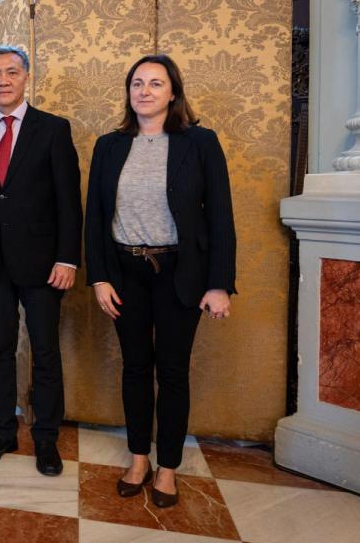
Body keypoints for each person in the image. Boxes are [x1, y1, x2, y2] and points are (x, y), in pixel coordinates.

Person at [85, 54, 236, 508]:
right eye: (137, 83)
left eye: (155, 83)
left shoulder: (200, 143)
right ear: (128, 92)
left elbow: (221, 217)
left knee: (171, 372)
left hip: (179, 274)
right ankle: (138, 457)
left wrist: (218, 283)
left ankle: (168, 466)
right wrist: (99, 278)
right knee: (134, 367)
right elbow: (95, 217)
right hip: (125, 274)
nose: (145, 91)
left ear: (174, 92)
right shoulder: (109, 146)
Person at [0, 45, 82, 476]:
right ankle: (3, 433)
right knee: (0, 351)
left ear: (27, 77)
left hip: (44, 263)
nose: (3, 80)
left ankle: (46, 439)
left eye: (11, 72)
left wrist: (68, 258)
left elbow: (69, 202)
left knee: (45, 351)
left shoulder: (53, 129)